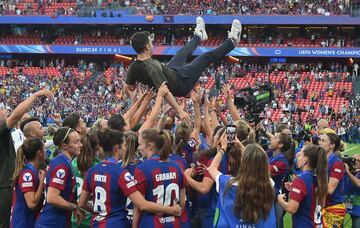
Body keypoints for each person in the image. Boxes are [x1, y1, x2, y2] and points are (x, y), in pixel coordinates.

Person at [125, 17, 242, 124]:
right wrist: (179, 110)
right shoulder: (152, 66)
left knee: (181, 53)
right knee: (206, 57)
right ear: (147, 47)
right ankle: (232, 41)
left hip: (172, 72)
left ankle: (199, 35)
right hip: (181, 83)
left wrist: (134, 98)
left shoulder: (133, 66)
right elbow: (165, 91)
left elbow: (128, 89)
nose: (153, 43)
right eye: (151, 42)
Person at [78, 129, 181, 227]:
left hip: (96, 224)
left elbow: (81, 203)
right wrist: (171, 210)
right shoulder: (121, 173)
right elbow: (142, 204)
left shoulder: (92, 171)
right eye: (124, 145)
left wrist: (100, 212)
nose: (126, 148)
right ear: (117, 148)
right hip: (117, 223)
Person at [0, 89, 53, 228]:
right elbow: (17, 114)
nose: (5, 114)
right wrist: (35, 95)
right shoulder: (1, 131)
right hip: (4, 188)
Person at [208, 141, 276, 227]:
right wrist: (241, 145)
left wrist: (223, 149)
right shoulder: (269, 184)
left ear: (243, 163)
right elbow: (256, 160)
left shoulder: (227, 183)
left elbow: (211, 168)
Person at [133, 128, 186, 227]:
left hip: (151, 223)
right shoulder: (177, 167)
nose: (138, 148)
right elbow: (182, 203)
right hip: (174, 222)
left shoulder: (142, 168)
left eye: (140, 144)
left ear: (149, 146)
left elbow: (139, 207)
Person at [35, 127, 83, 228]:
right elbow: (52, 198)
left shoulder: (62, 161)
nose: (80, 145)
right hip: (52, 222)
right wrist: (74, 207)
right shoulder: (62, 166)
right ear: (64, 145)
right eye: (76, 142)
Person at [277, 145, 328, 228]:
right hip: (317, 224)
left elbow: (291, 208)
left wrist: (279, 199)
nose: (297, 157)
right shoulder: (319, 177)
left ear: (306, 159)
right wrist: (295, 189)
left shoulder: (301, 179)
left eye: (300, 154)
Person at [10, 138, 46, 228]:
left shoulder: (32, 171)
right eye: (44, 148)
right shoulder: (28, 174)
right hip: (22, 223)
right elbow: (32, 204)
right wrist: (42, 182)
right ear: (40, 152)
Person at [71, 131, 102, 227]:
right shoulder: (98, 166)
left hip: (75, 215)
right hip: (92, 216)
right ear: (99, 147)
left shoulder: (74, 162)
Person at [319, 133, 346, 227]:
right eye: (320, 140)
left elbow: (330, 190)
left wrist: (308, 187)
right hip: (323, 206)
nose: (319, 143)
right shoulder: (321, 160)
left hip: (334, 208)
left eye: (323, 140)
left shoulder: (337, 163)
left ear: (332, 145)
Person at [344, 154, 360, 227]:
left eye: (358, 160)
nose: (354, 162)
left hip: (358, 207)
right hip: (345, 203)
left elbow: (358, 184)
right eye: (353, 159)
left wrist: (348, 172)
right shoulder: (346, 171)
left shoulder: (348, 172)